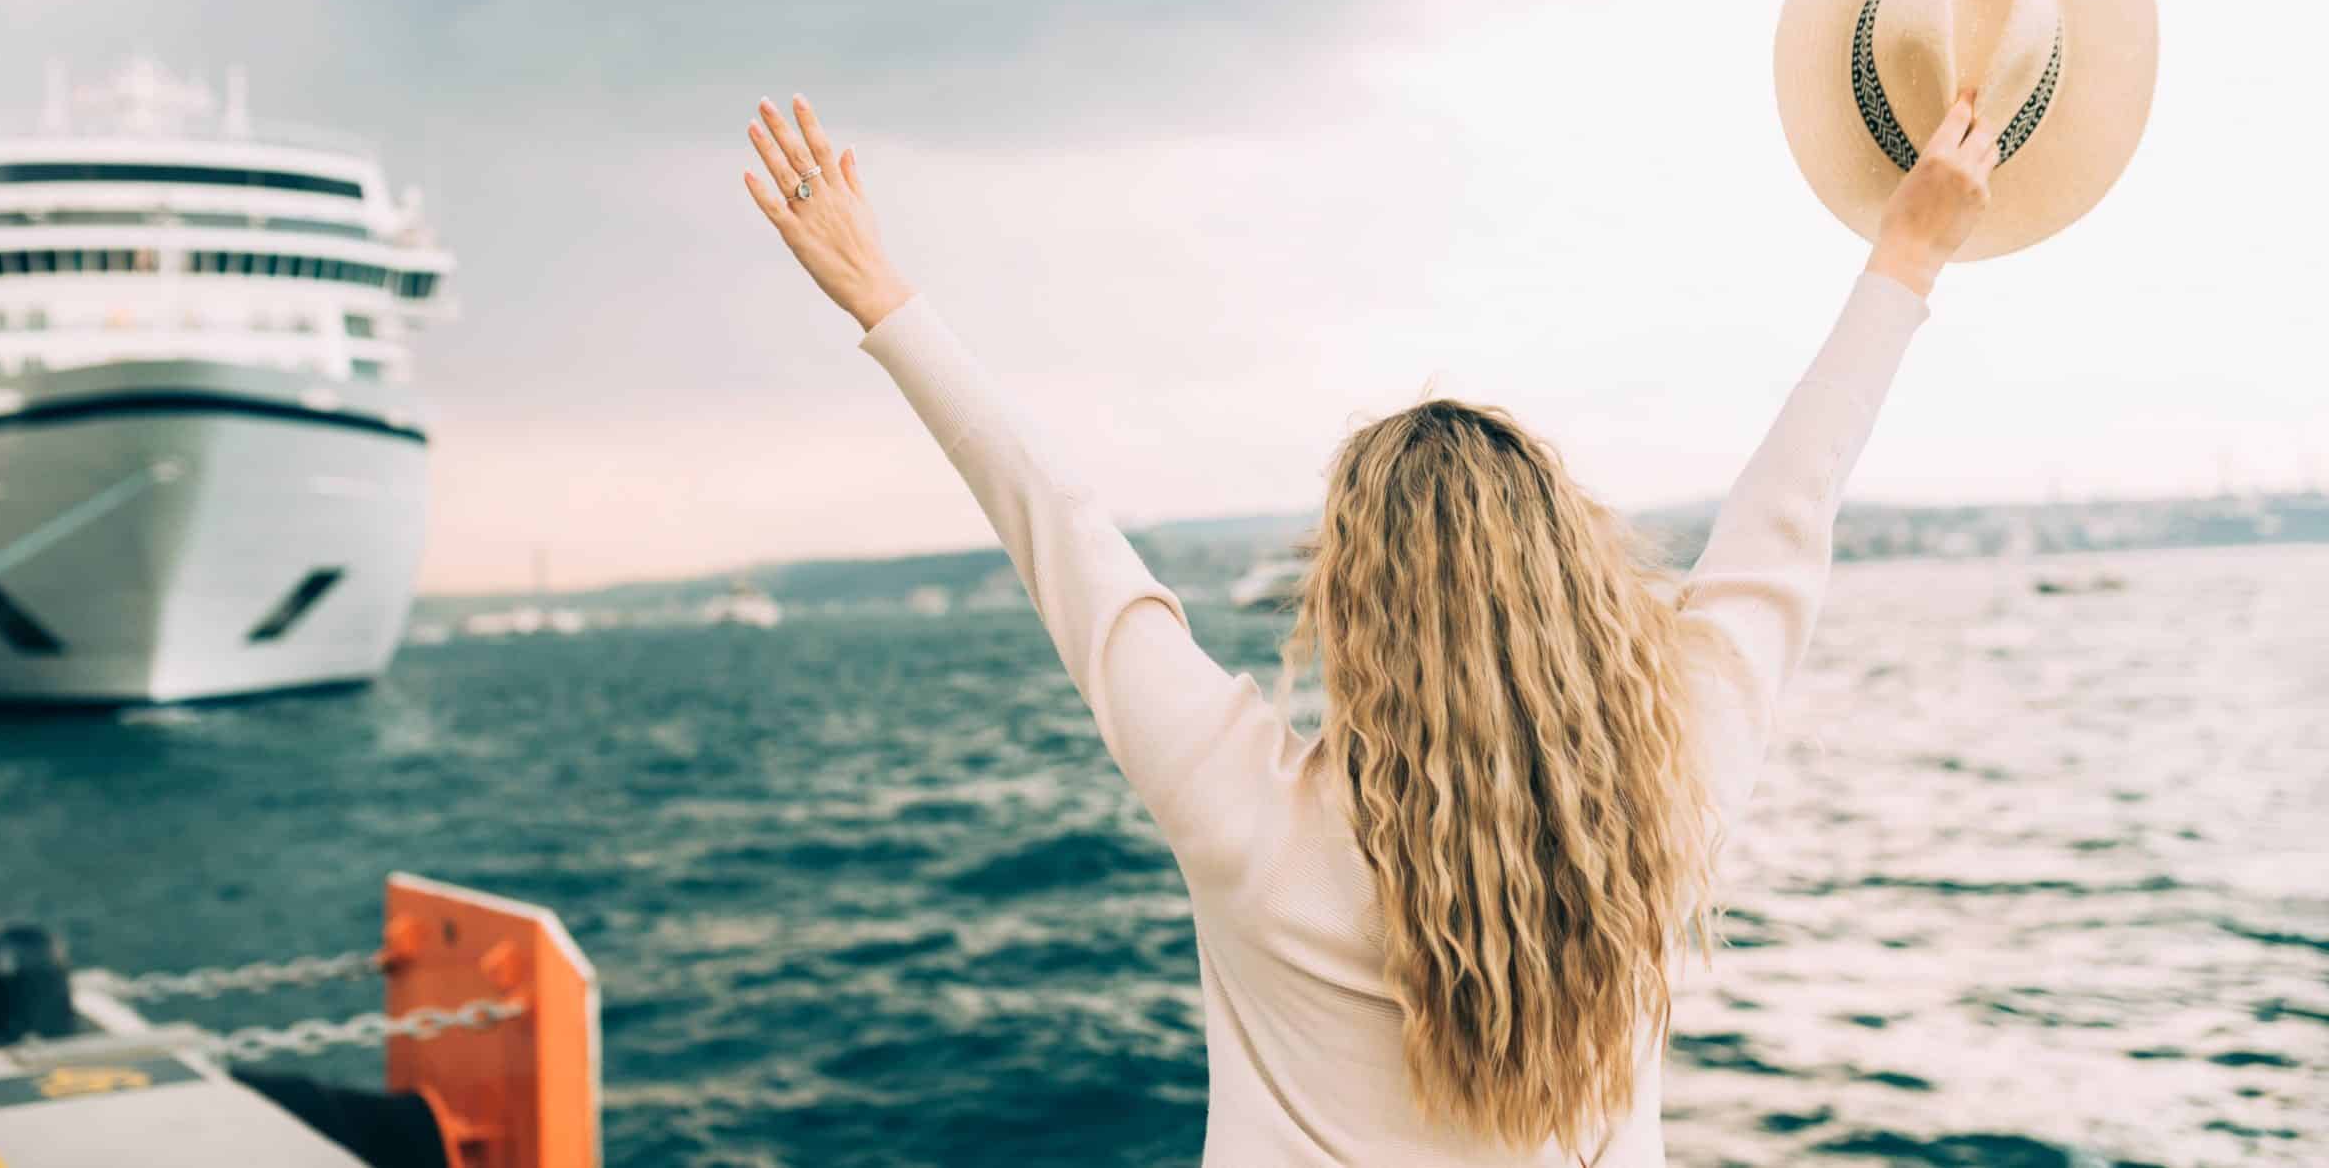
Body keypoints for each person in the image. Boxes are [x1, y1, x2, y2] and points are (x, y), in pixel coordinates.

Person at [740, 88, 1994, 1165]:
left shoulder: (1245, 814)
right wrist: (1907, 254)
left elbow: (1062, 538)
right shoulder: (1673, 796)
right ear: (1573, 589)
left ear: (1346, 607)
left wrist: (885, 298)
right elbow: (1788, 513)